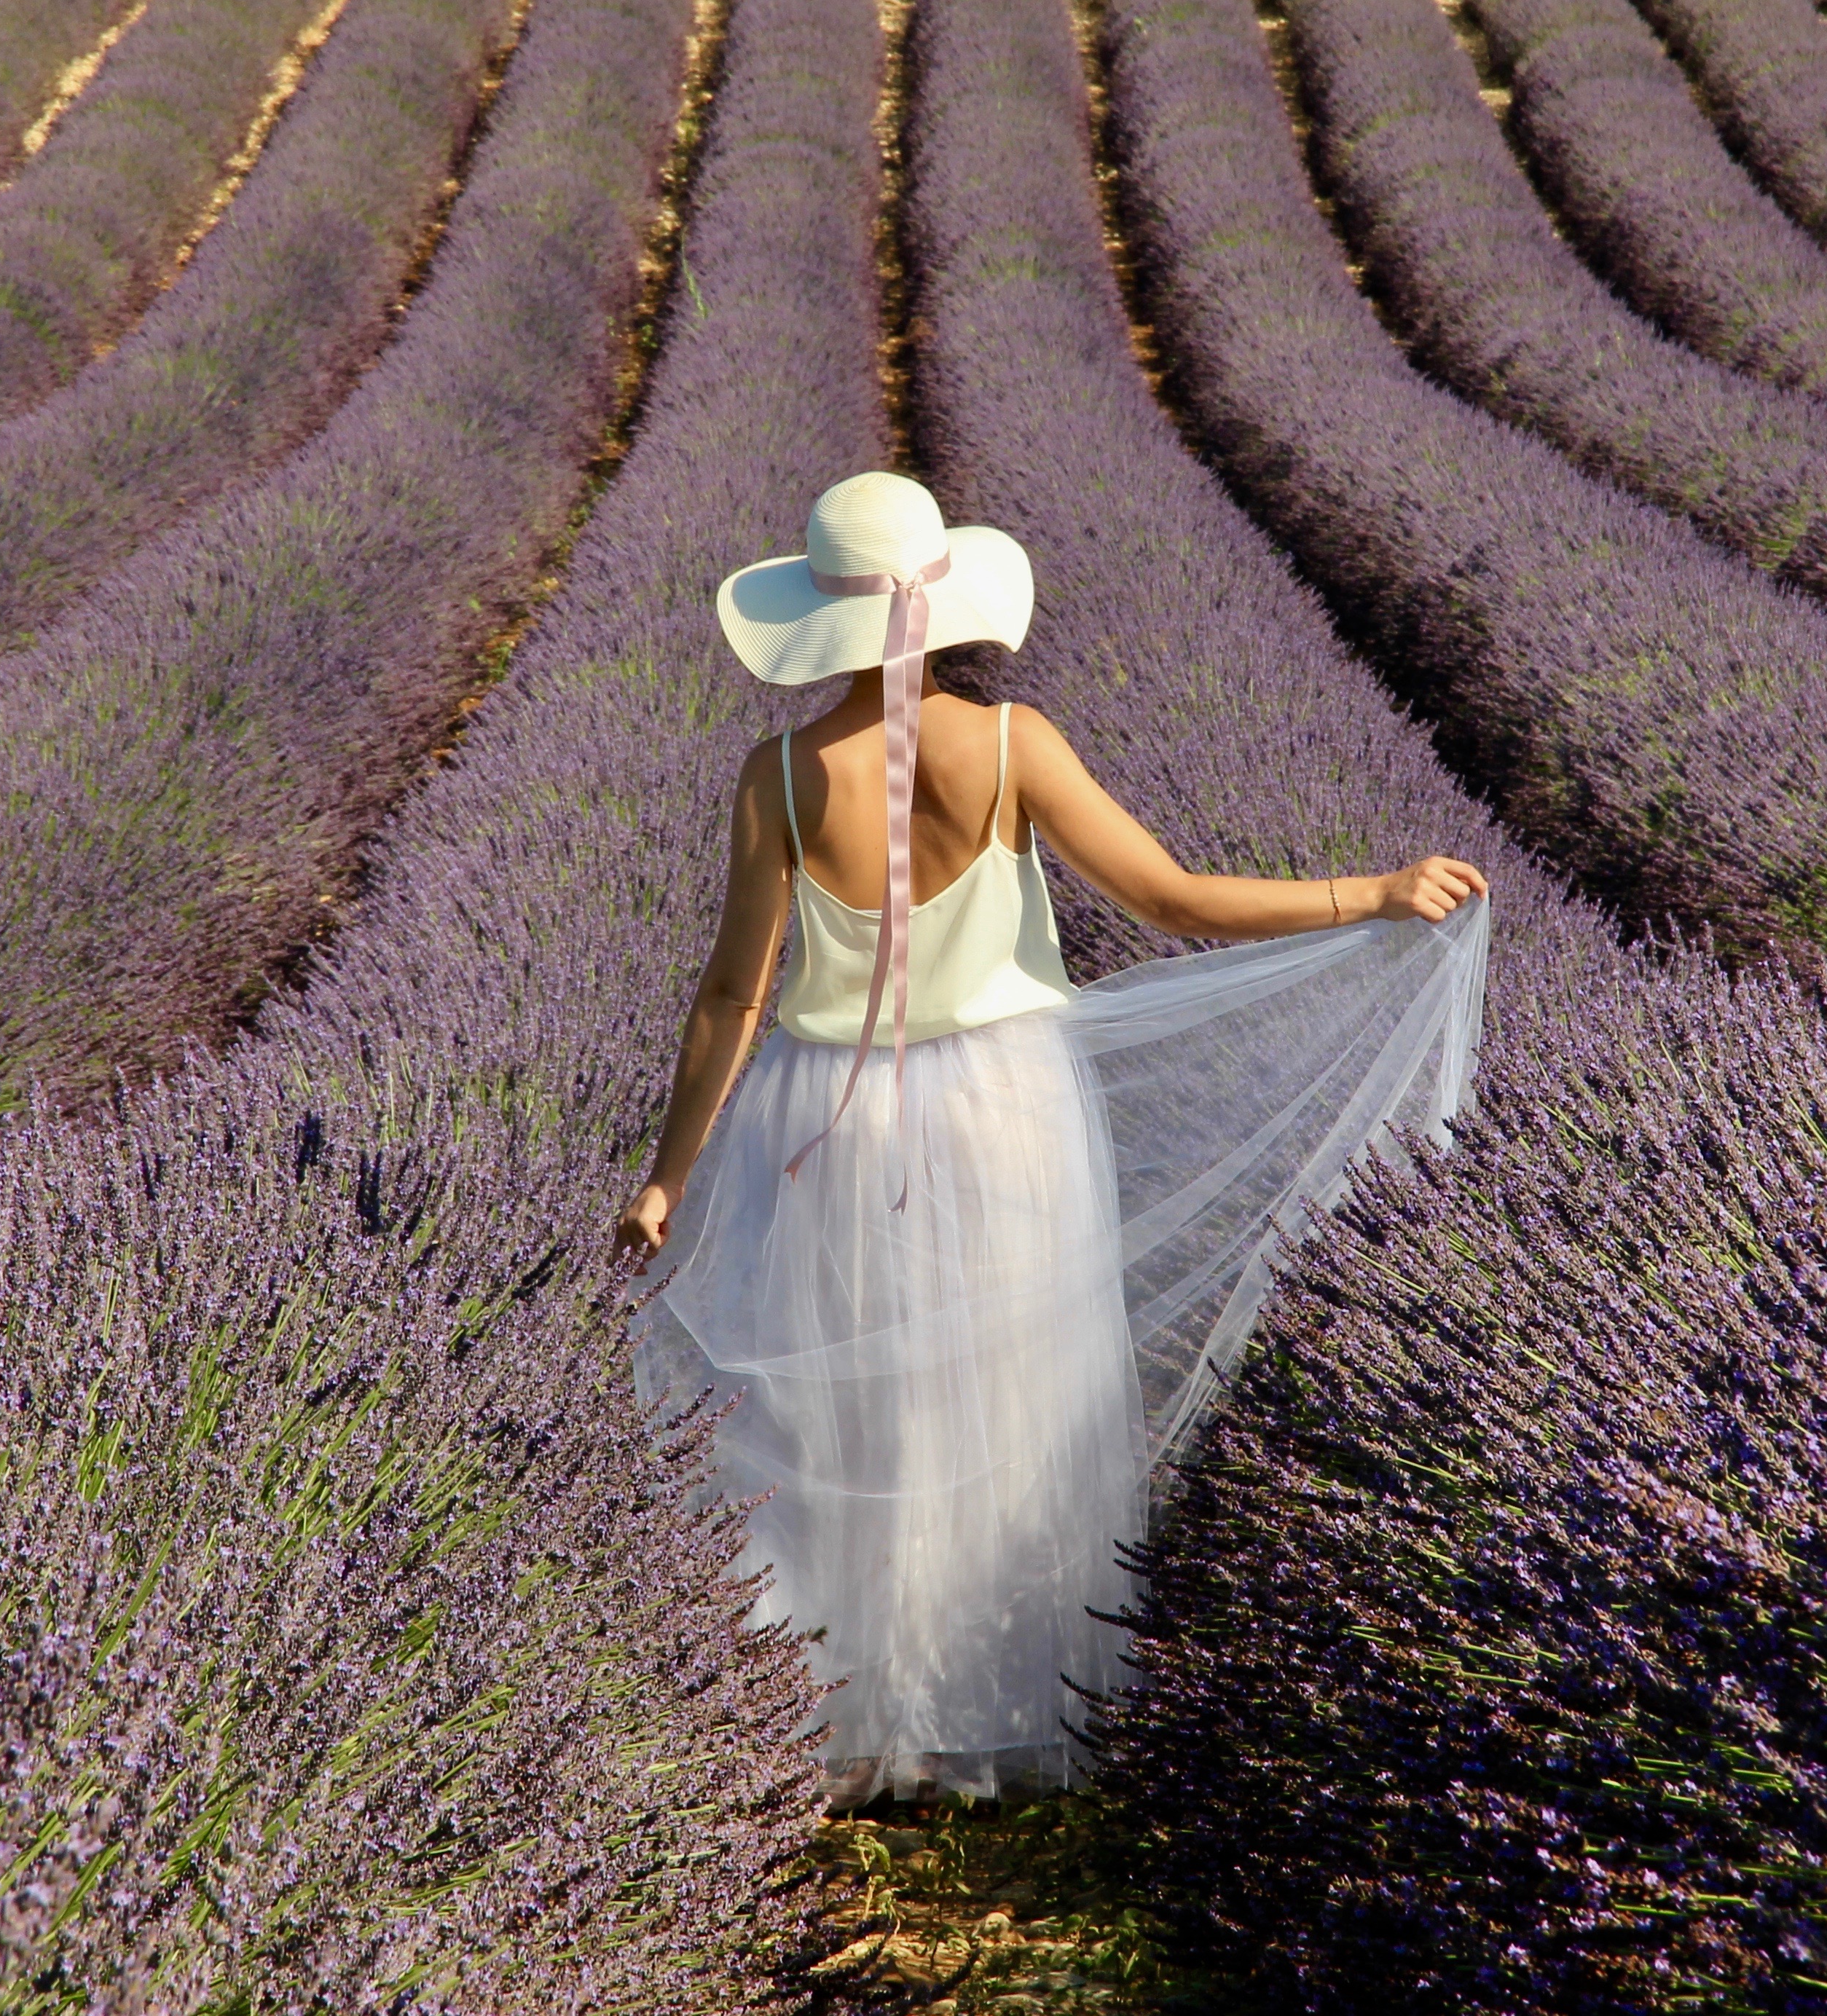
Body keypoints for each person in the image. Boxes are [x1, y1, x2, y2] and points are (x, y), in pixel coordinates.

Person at [618, 470, 1492, 1807]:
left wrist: (667, 1173)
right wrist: (1367, 893)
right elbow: (1167, 898)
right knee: (1011, 1404)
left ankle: (846, 1720)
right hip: (1002, 1105)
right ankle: (997, 1707)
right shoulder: (1013, 743)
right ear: (946, 607)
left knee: (850, 1412)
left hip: (822, 1119)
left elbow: (733, 994)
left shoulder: (781, 776)